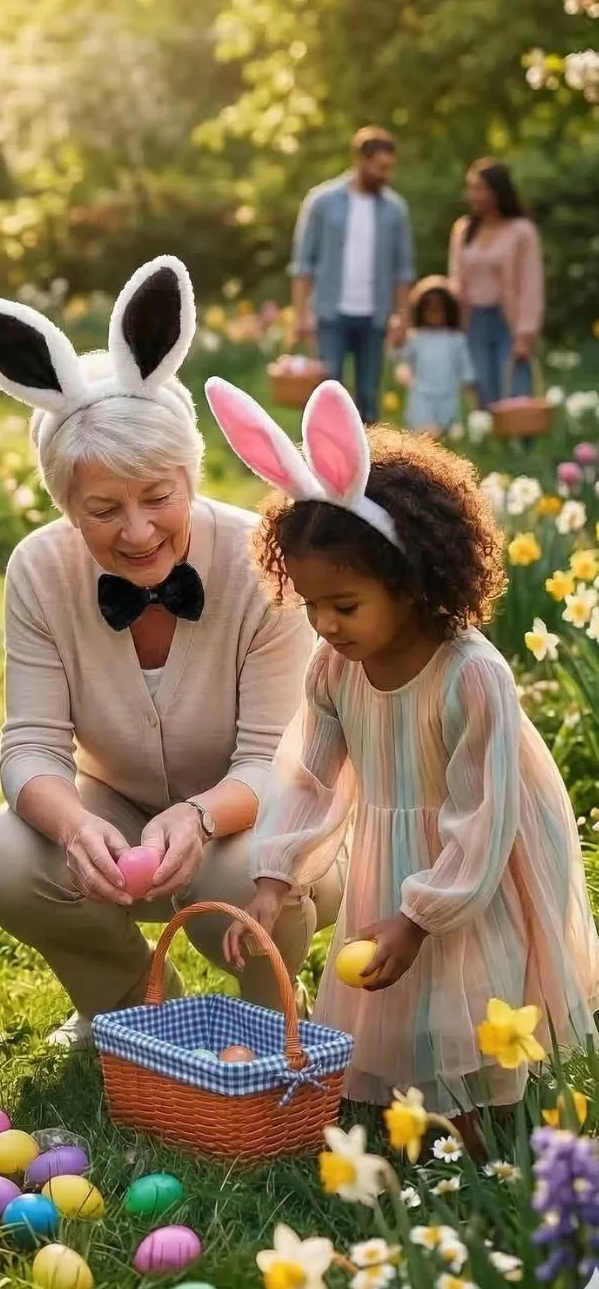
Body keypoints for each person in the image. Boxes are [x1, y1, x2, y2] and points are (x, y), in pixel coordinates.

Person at [0, 260, 342, 1049]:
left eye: (158, 497)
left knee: (239, 871)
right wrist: (70, 826)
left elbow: (278, 757)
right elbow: (30, 745)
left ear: (190, 475)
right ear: (66, 506)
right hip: (121, 804)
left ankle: (273, 1027)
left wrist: (200, 820)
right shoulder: (39, 567)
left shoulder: (261, 560)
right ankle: (129, 1010)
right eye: (103, 509)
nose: (136, 532)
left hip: (264, 817)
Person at [208, 377, 599, 1126]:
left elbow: (481, 812)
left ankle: (477, 1126)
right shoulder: (334, 669)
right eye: (310, 603)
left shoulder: (471, 677)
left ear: (413, 583)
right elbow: (310, 778)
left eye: (344, 605)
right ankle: (400, 1104)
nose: (323, 624)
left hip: (477, 862)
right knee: (394, 987)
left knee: (470, 983)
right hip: (392, 849)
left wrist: (422, 914)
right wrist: (273, 878)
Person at [289, 127, 416, 423]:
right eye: (381, 167)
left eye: (390, 168)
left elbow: (403, 269)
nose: (387, 175)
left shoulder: (395, 210)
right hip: (330, 314)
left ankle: (370, 465)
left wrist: (403, 317)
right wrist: (300, 314)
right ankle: (325, 463)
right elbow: (303, 263)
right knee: (327, 395)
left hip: (375, 316)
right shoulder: (322, 202)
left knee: (369, 397)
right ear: (360, 159)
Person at [447, 158, 544, 407]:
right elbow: (456, 277)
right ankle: (488, 444)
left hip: (507, 320)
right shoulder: (464, 229)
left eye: (479, 188)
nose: (473, 195)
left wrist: (526, 333)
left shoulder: (521, 230)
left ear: (497, 191)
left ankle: (520, 444)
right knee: (481, 390)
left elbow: (531, 284)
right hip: (474, 321)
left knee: (515, 392)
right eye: (471, 188)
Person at [396, 278, 477, 437]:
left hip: (448, 395)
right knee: (426, 434)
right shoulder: (416, 338)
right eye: (429, 309)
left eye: (439, 309)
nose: (434, 314)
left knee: (447, 434)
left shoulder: (456, 339)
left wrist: (472, 398)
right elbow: (401, 359)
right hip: (422, 395)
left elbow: (466, 369)